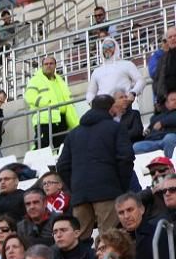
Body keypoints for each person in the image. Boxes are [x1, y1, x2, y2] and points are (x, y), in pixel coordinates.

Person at [56, 95, 134, 241]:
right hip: (108, 191)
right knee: (110, 239)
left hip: (80, 194)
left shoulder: (73, 134)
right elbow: (126, 158)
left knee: (79, 241)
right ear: (111, 108)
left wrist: (75, 186)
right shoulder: (116, 128)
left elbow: (62, 166)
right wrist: (120, 186)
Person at [24, 55, 78, 149]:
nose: (48, 66)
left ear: (55, 65)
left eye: (51, 63)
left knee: (62, 147)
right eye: (46, 64)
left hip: (61, 119)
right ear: (42, 66)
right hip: (45, 119)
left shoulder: (60, 80)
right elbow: (29, 96)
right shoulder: (35, 80)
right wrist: (47, 103)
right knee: (42, 146)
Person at [86, 37, 145, 103]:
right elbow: (90, 92)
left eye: (110, 46)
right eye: (105, 47)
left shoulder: (126, 64)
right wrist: (91, 102)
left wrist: (133, 93)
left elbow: (140, 80)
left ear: (116, 48)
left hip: (124, 104)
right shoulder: (96, 71)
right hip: (104, 108)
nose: (107, 49)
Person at [135, 89, 176, 158]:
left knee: (170, 137)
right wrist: (145, 133)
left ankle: (169, 161)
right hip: (154, 140)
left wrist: (162, 123)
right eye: (173, 100)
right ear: (166, 103)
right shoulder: (155, 117)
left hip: (167, 139)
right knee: (136, 146)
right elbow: (148, 130)